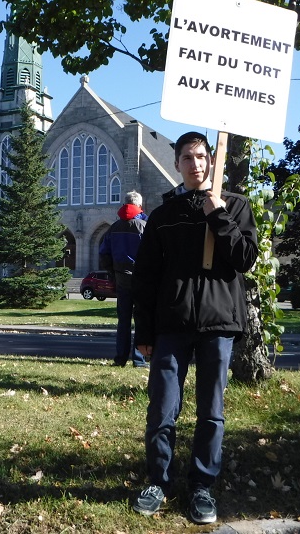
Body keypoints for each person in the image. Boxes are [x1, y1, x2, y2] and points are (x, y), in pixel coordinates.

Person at [130, 131, 258, 524]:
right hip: (172, 324)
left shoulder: (235, 206)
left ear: (212, 160)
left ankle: (202, 486)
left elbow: (244, 258)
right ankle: (158, 481)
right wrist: (145, 332)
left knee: (211, 411)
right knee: (162, 407)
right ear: (177, 164)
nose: (195, 164)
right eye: (187, 157)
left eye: (201, 156)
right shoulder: (165, 214)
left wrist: (217, 213)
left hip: (218, 324)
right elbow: (147, 277)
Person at [99, 190, 149, 368]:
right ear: (140, 205)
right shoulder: (145, 225)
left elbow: (104, 254)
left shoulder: (114, 227)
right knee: (141, 320)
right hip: (142, 280)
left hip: (121, 280)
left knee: (124, 321)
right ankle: (139, 359)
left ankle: (120, 358)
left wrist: (113, 273)